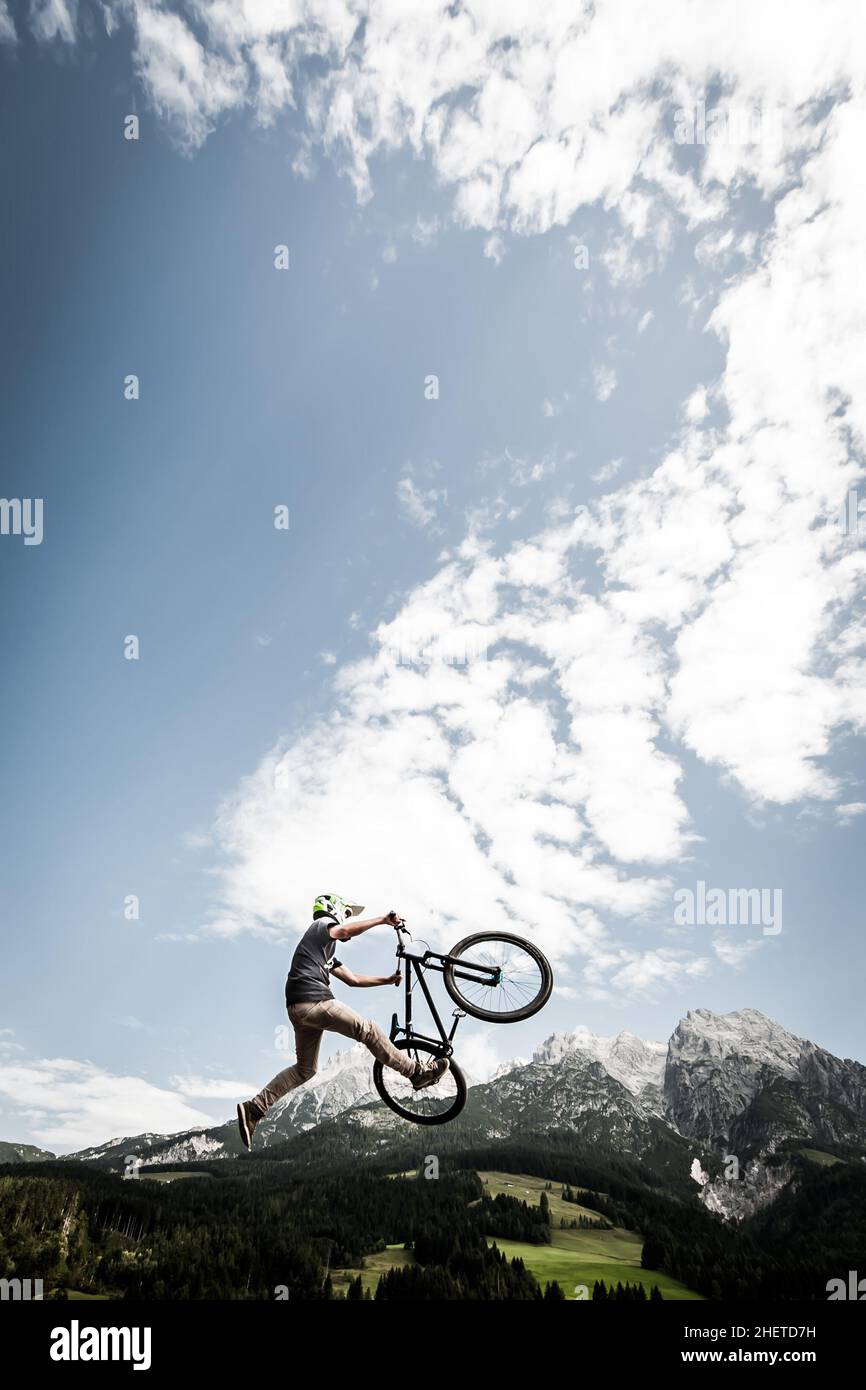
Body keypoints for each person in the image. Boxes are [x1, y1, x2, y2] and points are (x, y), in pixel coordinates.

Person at [237, 894, 449, 1149]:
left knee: (306, 1070)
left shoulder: (323, 952)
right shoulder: (320, 926)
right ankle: (416, 1072)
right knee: (368, 1030)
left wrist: (387, 979)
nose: (346, 921)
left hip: (298, 1008)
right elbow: (343, 930)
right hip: (314, 1001)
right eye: (346, 913)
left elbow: (353, 979)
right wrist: (383, 919)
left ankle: (254, 1109)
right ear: (332, 909)